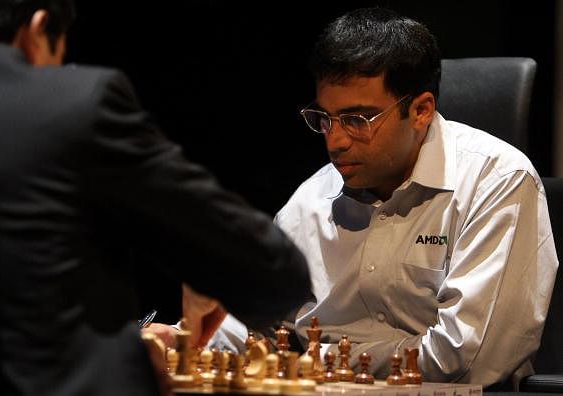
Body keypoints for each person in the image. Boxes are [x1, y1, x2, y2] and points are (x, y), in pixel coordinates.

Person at [0, 1, 311, 395]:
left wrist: (135, 333)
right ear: (38, 27)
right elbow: (274, 273)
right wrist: (207, 261)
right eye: (57, 57)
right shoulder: (72, 105)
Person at [211, 7, 558, 390]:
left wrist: (315, 357)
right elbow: (255, 317)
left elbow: (466, 360)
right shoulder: (310, 200)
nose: (335, 142)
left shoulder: (496, 182)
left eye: (357, 120)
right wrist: (183, 339)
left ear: (422, 110)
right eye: (325, 119)